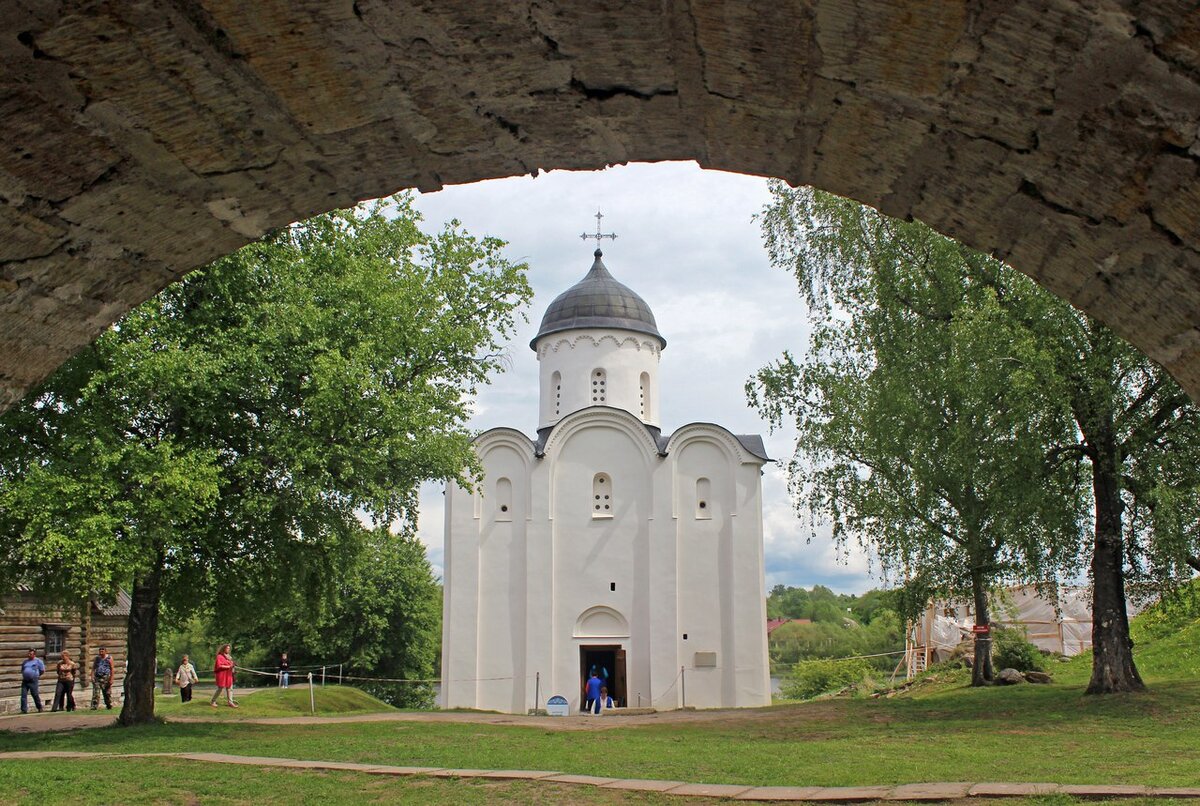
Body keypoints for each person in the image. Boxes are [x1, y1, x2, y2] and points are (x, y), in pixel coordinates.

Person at [210, 644, 238, 708]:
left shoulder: (229, 657)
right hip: (222, 674)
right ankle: (213, 701)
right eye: (227, 648)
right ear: (223, 649)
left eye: (229, 648)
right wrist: (228, 666)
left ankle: (230, 702)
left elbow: (232, 665)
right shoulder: (219, 656)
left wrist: (233, 667)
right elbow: (219, 666)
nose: (228, 649)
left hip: (228, 674)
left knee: (230, 688)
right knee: (220, 688)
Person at [20, 648, 45, 714]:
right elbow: (22, 669)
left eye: (30, 654)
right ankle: (24, 709)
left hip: (33, 680)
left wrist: (36, 675)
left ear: (34, 655)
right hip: (25, 680)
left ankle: (39, 707)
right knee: (23, 695)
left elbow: (42, 670)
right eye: (28, 653)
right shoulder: (25, 661)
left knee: (34, 694)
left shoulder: (38, 661)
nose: (29, 655)